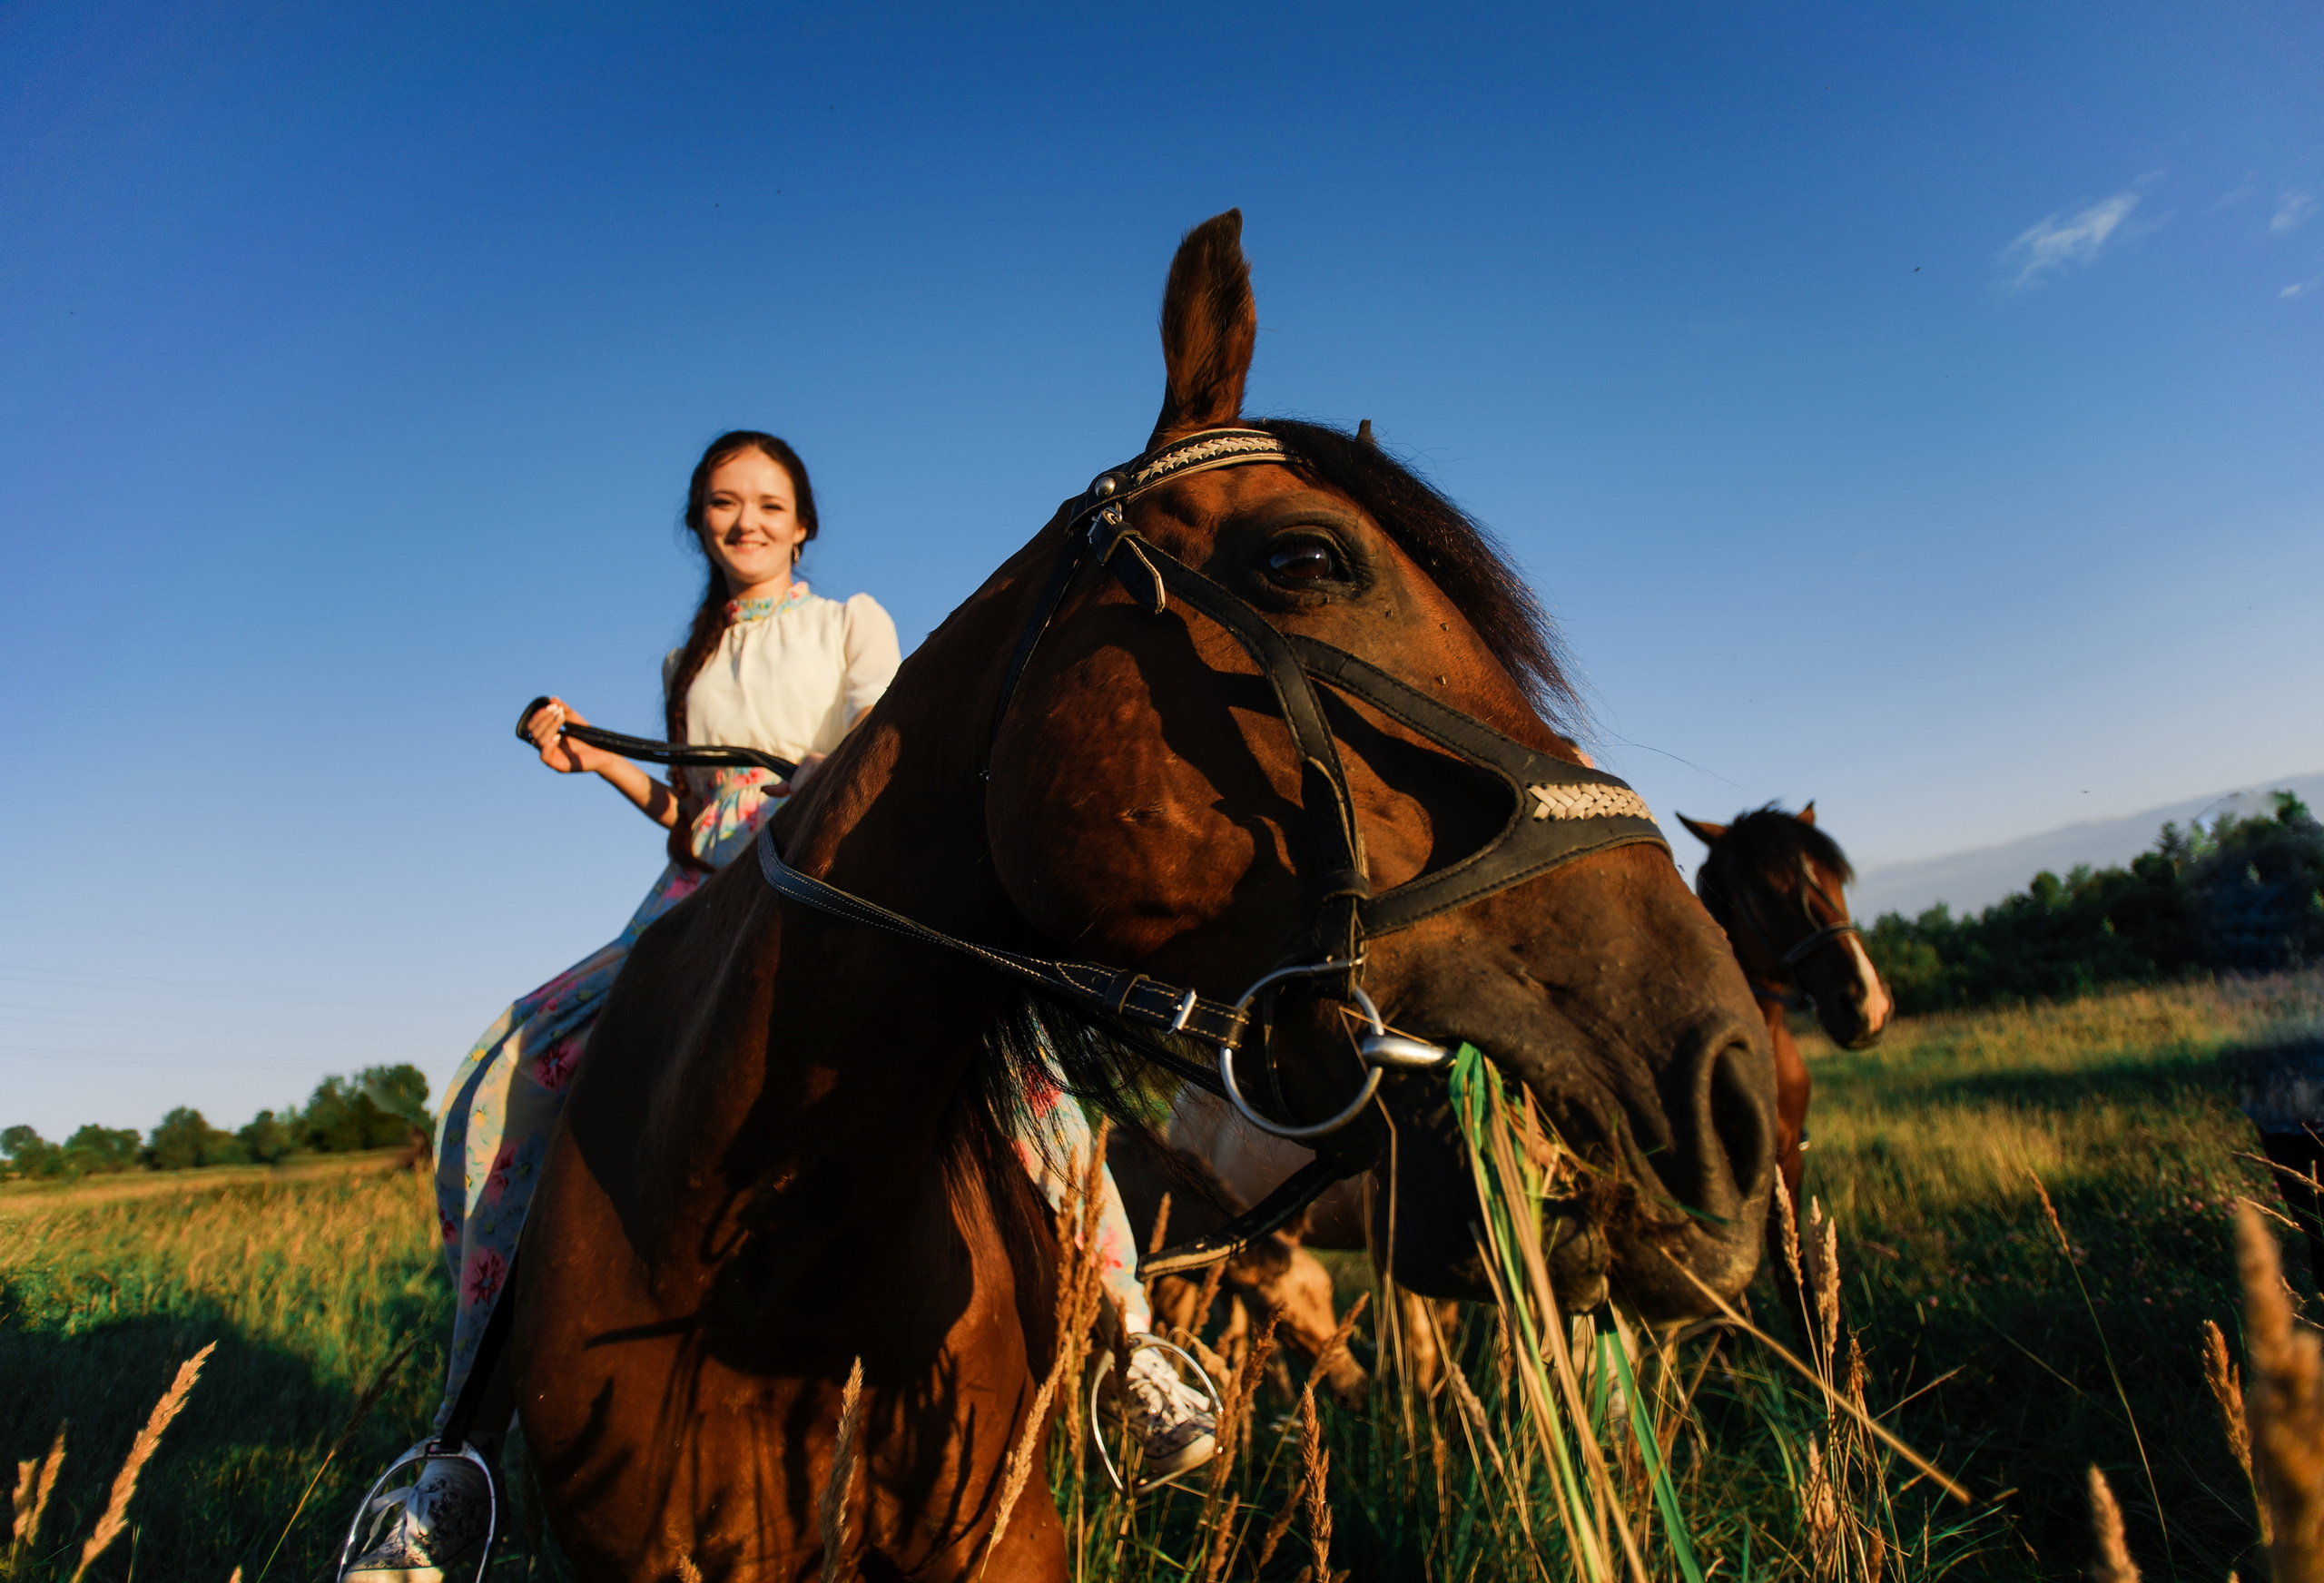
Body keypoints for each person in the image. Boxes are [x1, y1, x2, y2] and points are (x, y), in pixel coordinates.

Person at [344, 432, 1216, 1583]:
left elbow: (877, 750)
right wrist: (596, 761)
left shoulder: (850, 622)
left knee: (1031, 1081)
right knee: (509, 1069)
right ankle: (460, 1448)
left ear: (802, 522)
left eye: (768, 503)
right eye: (723, 503)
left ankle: (1132, 1344)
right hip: (696, 899)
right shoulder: (687, 656)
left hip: (825, 878)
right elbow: (687, 814)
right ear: (700, 521)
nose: (745, 520)